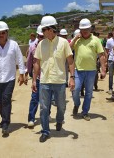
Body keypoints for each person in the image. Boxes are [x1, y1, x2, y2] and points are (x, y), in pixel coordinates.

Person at [32, 15, 75, 143]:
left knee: (61, 106)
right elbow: (36, 63)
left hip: (59, 81)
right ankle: (45, 131)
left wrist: (72, 77)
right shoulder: (41, 44)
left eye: (44, 30)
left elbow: (70, 61)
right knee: (44, 108)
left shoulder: (63, 43)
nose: (42, 33)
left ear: (50, 29)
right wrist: (34, 80)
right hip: (44, 81)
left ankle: (59, 120)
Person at [70, 18, 106, 121]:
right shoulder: (78, 40)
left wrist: (103, 69)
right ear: (80, 30)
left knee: (89, 92)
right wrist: (75, 39)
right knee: (75, 90)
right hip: (78, 70)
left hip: (91, 71)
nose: (85, 31)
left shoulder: (96, 40)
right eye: (83, 29)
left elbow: (101, 55)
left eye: (87, 29)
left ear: (90, 29)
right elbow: (68, 49)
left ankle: (85, 112)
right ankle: (77, 104)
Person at [26, 25, 45, 128]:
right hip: (37, 77)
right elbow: (29, 61)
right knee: (34, 98)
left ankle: (47, 115)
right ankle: (31, 118)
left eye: (44, 36)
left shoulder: (51, 47)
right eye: (40, 36)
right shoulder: (33, 47)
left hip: (48, 78)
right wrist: (26, 73)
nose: (42, 38)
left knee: (46, 99)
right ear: (38, 36)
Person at [105, 27, 114, 95]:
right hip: (111, 59)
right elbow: (106, 51)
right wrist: (106, 60)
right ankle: (110, 88)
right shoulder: (109, 41)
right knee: (110, 75)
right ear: (112, 32)